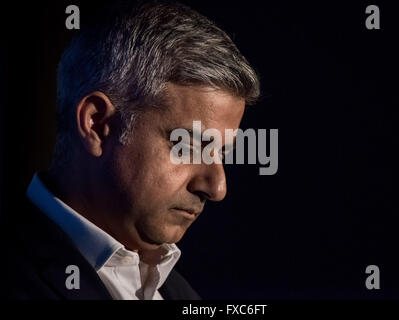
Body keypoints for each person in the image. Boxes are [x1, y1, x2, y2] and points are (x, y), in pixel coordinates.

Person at [0, 0, 259, 300]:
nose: (217, 187)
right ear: (97, 125)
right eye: (190, 145)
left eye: (221, 153)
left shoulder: (181, 294)